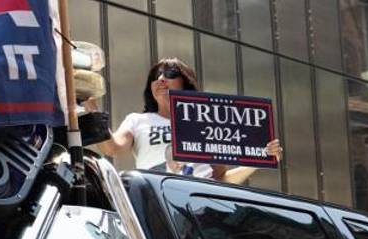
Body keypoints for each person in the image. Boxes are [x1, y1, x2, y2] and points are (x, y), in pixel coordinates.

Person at [95, 58, 282, 183]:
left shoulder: (207, 121)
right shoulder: (137, 120)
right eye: (155, 76)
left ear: (184, 82)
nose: (160, 79)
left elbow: (221, 179)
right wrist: (90, 104)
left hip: (201, 203)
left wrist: (259, 160)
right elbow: (111, 148)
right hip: (159, 200)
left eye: (169, 74)